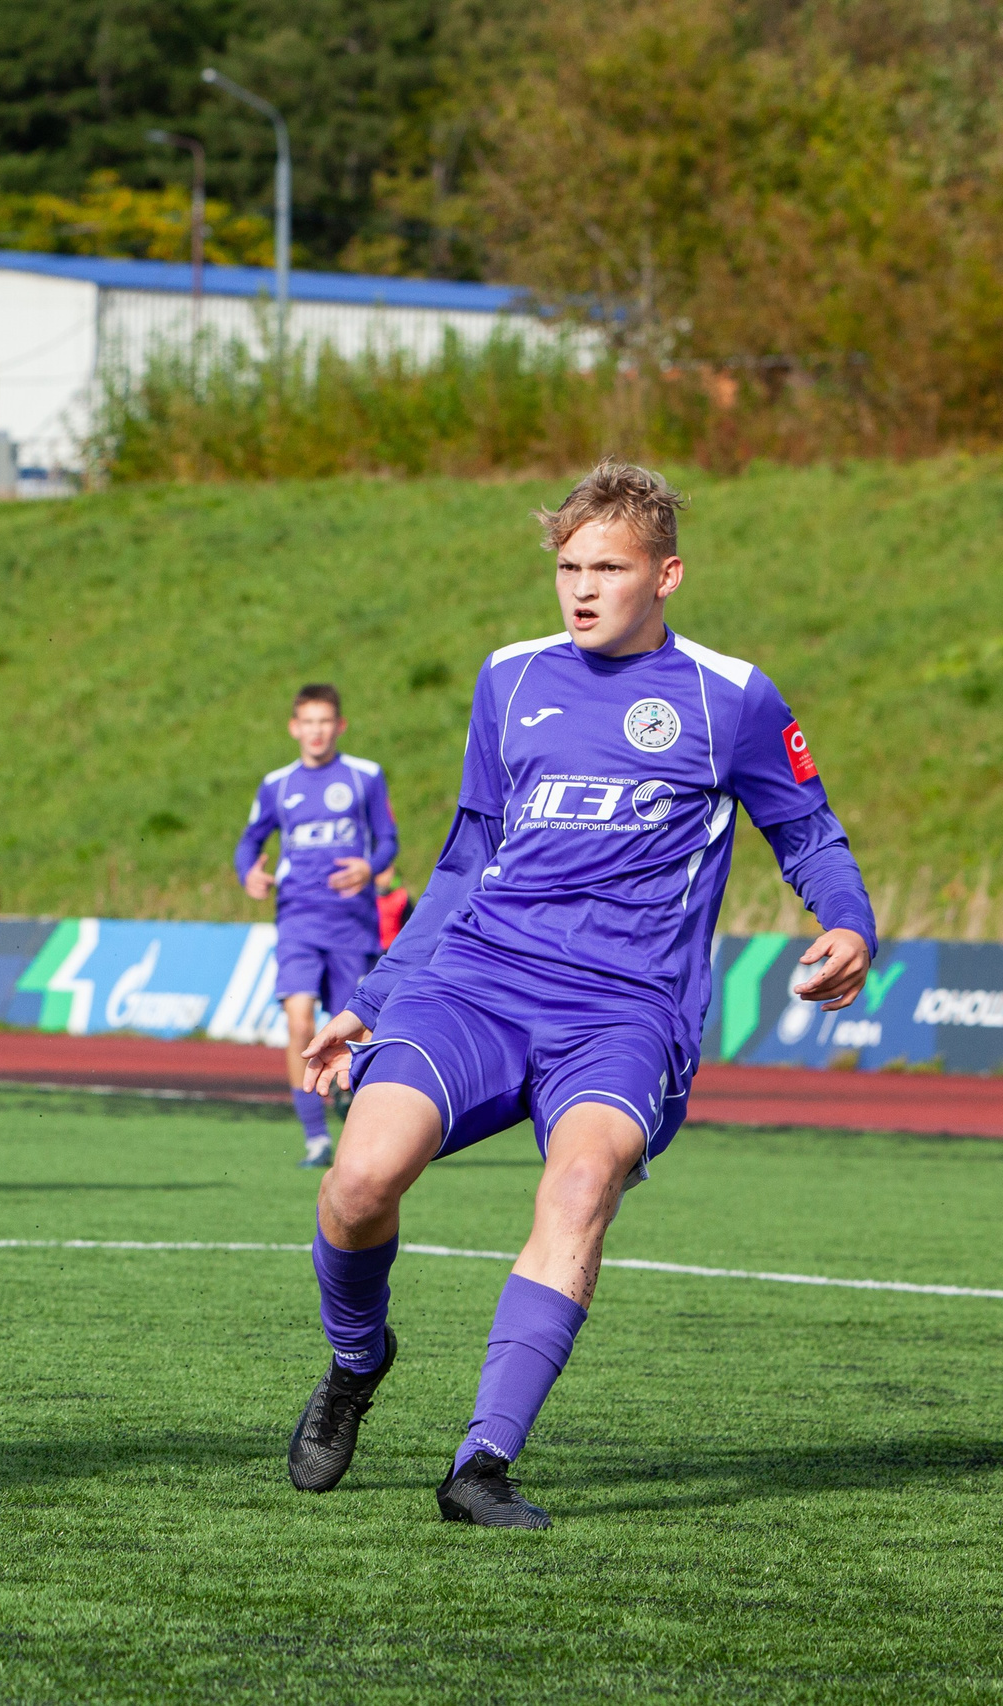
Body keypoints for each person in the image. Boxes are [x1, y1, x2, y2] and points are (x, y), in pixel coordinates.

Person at [290, 460, 876, 1528]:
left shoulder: (731, 695)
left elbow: (806, 830)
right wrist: (374, 993)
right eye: (567, 565)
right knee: (358, 1181)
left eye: (607, 565)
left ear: (668, 574)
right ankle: (355, 1360)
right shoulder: (507, 677)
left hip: (625, 1010)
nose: (581, 586)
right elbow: (466, 853)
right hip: (475, 981)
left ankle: (481, 1462)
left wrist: (847, 921)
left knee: (578, 1188)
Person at [233, 685, 398, 1167]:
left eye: (325, 722)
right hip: (298, 920)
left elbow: (387, 840)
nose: (316, 731)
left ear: (339, 726)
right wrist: (250, 874)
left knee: (357, 1030)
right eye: (308, 722)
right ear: (294, 728)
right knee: (299, 1020)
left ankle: (356, 1118)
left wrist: (370, 868)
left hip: (352, 925)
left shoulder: (365, 776)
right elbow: (250, 841)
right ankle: (314, 1136)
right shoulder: (277, 784)